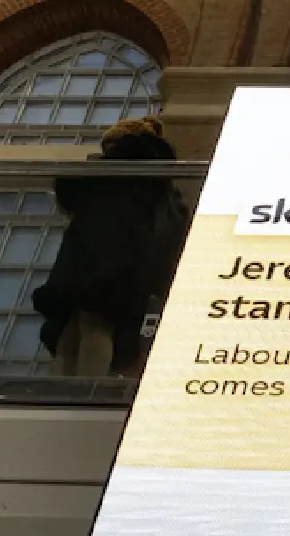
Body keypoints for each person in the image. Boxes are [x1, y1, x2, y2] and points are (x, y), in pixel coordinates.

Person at [31, 115, 191, 378]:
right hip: (118, 261)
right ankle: (82, 388)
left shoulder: (116, 175)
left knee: (83, 328)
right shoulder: (159, 185)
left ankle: (77, 390)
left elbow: (75, 195)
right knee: (89, 327)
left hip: (96, 259)